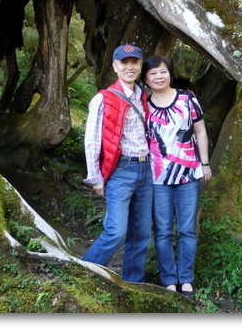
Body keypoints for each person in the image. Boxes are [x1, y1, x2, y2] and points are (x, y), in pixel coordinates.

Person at [141, 55, 212, 297]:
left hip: (188, 174)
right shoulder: (144, 104)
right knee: (162, 231)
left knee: (187, 229)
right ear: (146, 79)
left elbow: (201, 132)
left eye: (162, 71)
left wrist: (205, 163)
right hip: (158, 178)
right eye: (152, 74)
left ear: (169, 72)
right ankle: (169, 279)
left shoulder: (187, 98)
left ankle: (186, 279)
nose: (158, 77)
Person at [81, 44, 153, 283]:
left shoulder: (143, 96)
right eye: (124, 62)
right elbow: (92, 140)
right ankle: (84, 273)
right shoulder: (103, 98)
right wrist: (95, 176)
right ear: (115, 66)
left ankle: (133, 282)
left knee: (141, 233)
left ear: (141, 66)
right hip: (121, 170)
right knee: (116, 231)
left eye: (135, 62)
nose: (130, 67)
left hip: (146, 170)